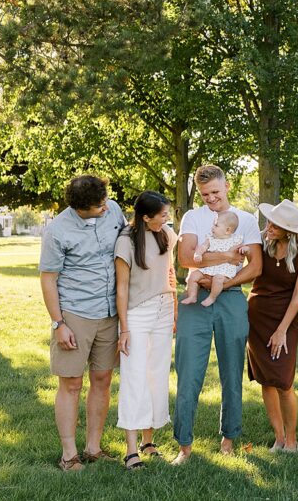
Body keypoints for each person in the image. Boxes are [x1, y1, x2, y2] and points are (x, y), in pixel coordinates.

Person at [172, 165, 263, 464]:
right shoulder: (193, 217)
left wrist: (222, 282)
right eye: (204, 194)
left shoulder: (246, 220)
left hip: (232, 298)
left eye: (215, 192)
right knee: (188, 374)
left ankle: (229, 438)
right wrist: (225, 258)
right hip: (195, 300)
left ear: (227, 186)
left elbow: (254, 266)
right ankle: (184, 445)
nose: (211, 199)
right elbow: (186, 258)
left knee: (231, 372)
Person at [40, 175, 126, 471]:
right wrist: (58, 323)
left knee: (102, 380)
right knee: (72, 384)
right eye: (98, 206)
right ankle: (68, 455)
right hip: (75, 314)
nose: (106, 208)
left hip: (110, 312)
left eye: (105, 201)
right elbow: (48, 279)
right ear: (80, 208)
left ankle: (93, 447)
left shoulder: (113, 210)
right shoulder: (57, 231)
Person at [114, 191, 177, 470]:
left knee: (157, 375)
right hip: (136, 314)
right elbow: (122, 287)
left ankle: (148, 441)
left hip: (164, 311)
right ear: (145, 217)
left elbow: (173, 271)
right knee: (134, 377)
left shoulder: (165, 234)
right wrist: (124, 329)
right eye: (162, 215)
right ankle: (130, 450)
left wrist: (173, 307)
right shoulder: (126, 241)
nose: (167, 219)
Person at [246, 200, 298, 454]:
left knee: (284, 382)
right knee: (266, 380)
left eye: (276, 225)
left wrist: (282, 329)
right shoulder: (260, 243)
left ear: (289, 230)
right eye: (270, 221)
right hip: (257, 318)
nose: (269, 227)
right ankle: (279, 437)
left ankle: (292, 439)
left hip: (284, 319)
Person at [180, 211, 245, 307]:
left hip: (224, 269)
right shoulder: (211, 238)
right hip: (208, 267)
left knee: (218, 280)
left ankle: (212, 297)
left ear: (227, 230)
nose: (212, 227)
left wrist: (245, 249)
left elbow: (243, 248)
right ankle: (192, 296)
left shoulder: (235, 240)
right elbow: (203, 247)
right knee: (193, 276)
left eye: (216, 225)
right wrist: (198, 254)